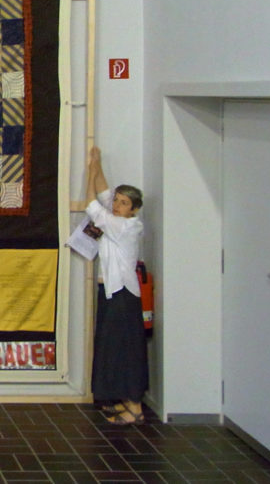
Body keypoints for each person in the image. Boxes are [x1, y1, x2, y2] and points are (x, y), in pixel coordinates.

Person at [85, 146, 147, 425]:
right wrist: (97, 165)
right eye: (118, 201)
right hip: (111, 293)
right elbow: (104, 194)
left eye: (123, 203)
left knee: (125, 348)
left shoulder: (126, 227)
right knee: (113, 347)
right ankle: (124, 401)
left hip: (123, 296)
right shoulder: (117, 220)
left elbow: (93, 205)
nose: (117, 205)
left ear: (133, 209)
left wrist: (89, 175)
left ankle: (134, 407)